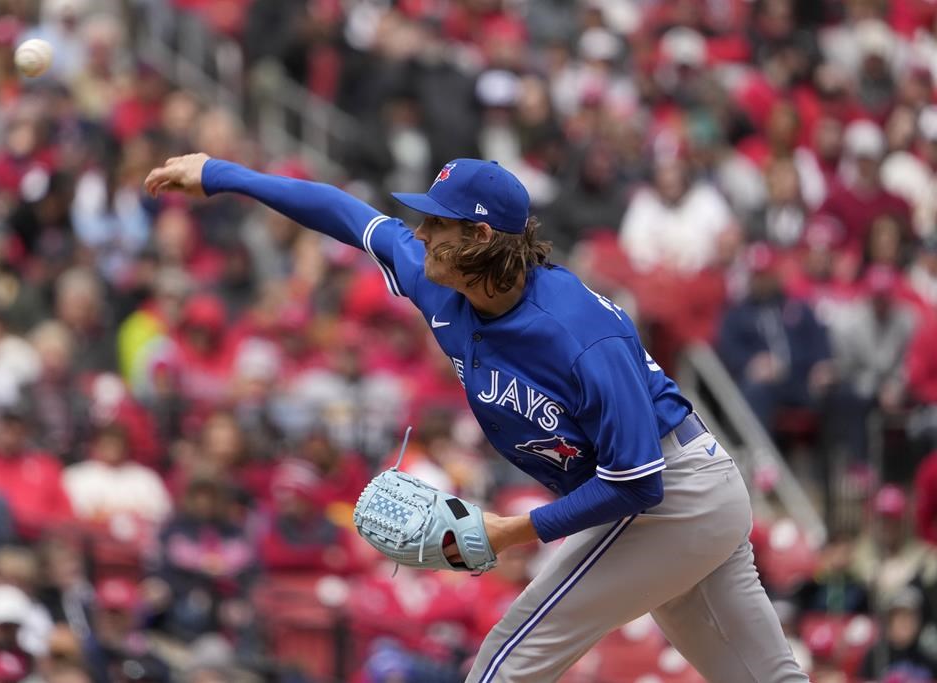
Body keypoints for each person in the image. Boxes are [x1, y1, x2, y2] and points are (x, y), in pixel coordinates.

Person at [144, 153, 808, 682]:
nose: (423, 234)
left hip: (673, 493)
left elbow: (640, 481)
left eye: (438, 223)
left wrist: (507, 531)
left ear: (482, 237)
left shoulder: (577, 334)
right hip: (675, 503)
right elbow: (348, 216)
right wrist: (221, 174)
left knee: (504, 664)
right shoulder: (441, 280)